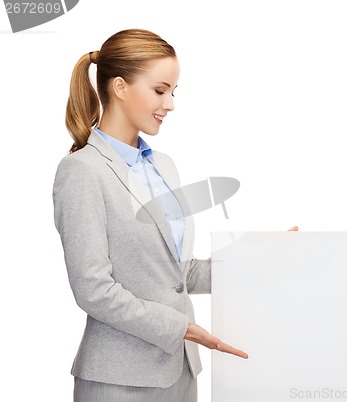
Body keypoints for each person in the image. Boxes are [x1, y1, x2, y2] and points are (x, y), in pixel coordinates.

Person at [52, 28, 298, 401]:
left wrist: (255, 258)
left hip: (182, 373)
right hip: (120, 382)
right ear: (120, 87)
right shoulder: (82, 171)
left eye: (173, 92)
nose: (170, 104)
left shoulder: (163, 166)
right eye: (160, 90)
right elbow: (93, 290)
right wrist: (181, 326)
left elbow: (178, 273)